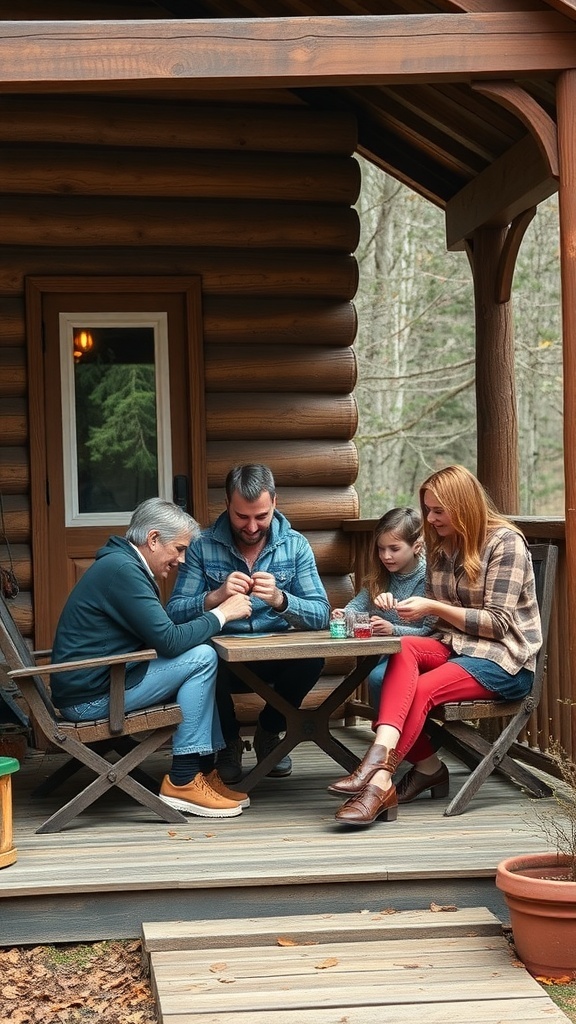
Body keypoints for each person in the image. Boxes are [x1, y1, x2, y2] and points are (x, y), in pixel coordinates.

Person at [328, 464, 542, 828]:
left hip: (503, 661)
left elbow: (498, 624)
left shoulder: (505, 543)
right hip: (455, 648)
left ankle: (377, 782)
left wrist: (433, 606)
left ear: (463, 506)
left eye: (438, 510)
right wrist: (410, 618)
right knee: (404, 650)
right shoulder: (442, 549)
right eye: (427, 509)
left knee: (421, 690)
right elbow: (437, 627)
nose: (429, 517)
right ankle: (384, 765)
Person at [50, 498, 254, 819]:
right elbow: (170, 642)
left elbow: (164, 636)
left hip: (105, 682)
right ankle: (185, 778)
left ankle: (204, 769)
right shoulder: (122, 571)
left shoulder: (123, 565)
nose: (183, 560)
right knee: (202, 656)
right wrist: (221, 614)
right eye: (180, 548)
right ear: (154, 539)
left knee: (202, 653)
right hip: (93, 699)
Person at [168, 464, 331, 783]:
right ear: (227, 504)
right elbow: (174, 612)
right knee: (200, 658)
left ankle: (270, 731)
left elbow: (321, 613)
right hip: (222, 661)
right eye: (242, 517)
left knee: (313, 659)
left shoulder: (295, 545)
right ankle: (228, 742)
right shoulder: (202, 545)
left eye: (261, 516)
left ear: (275, 502)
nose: (253, 526)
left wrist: (281, 600)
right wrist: (215, 596)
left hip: (275, 658)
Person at [338, 506, 431, 711]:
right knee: (376, 676)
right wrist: (345, 616)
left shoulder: (429, 579)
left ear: (416, 546)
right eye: (381, 549)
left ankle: (391, 735)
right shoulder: (381, 577)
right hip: (386, 656)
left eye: (394, 549)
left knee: (379, 678)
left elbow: (430, 632)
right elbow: (354, 607)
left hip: (422, 656)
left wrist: (393, 630)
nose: (386, 556)